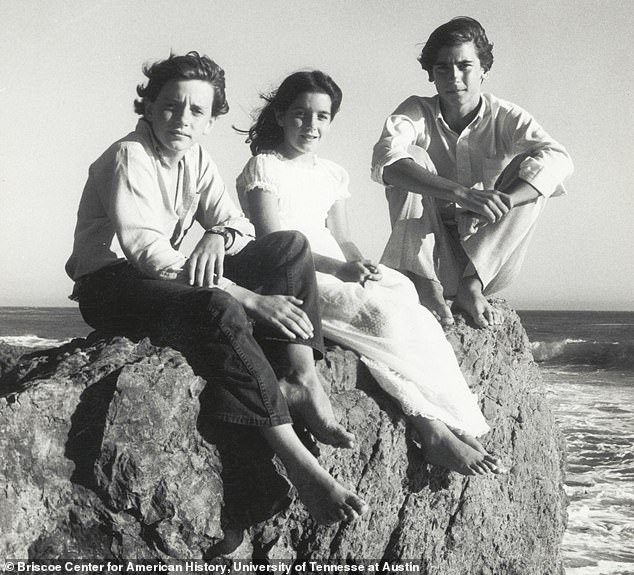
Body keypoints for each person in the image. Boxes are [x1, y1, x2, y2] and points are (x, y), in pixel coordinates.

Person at [65, 52, 368, 526]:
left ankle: (301, 378)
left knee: (289, 246)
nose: (182, 120)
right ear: (148, 106)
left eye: (197, 111)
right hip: (112, 285)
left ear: (210, 121)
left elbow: (239, 225)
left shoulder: (196, 156)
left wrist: (215, 235)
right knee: (219, 305)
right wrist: (250, 298)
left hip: (165, 277)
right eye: (170, 106)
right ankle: (295, 459)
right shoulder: (130, 155)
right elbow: (150, 255)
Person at [237, 70, 505, 476]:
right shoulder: (264, 167)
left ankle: (453, 421)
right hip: (293, 273)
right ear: (280, 117)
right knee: (380, 321)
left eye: (322, 117)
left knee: (406, 306)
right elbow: (274, 244)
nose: (311, 126)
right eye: (300, 115)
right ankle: (431, 431)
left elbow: (342, 238)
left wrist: (359, 266)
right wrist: (340, 270)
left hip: (336, 265)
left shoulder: (332, 173)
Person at [372, 17, 573, 328]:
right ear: (431, 76)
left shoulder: (506, 116)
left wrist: (502, 200)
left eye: (464, 66)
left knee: (536, 171)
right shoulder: (415, 111)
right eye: (442, 68)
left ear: (484, 70)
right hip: (431, 254)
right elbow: (385, 159)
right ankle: (425, 285)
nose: (454, 77)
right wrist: (462, 194)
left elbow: (560, 159)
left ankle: (470, 286)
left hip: (487, 258)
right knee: (408, 159)